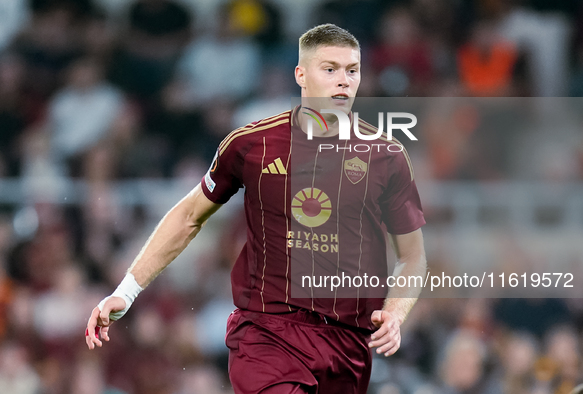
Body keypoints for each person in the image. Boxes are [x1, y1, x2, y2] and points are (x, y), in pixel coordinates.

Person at [85, 24, 427, 394]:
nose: (343, 81)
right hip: (268, 334)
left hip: (348, 345)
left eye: (352, 70)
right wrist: (126, 291)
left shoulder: (386, 156)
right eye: (330, 69)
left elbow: (412, 256)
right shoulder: (251, 144)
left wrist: (395, 313)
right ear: (301, 74)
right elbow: (188, 217)